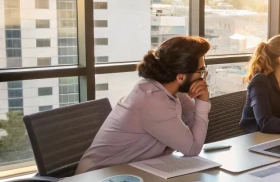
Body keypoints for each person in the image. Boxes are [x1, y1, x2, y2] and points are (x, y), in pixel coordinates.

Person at [76, 36, 211, 174]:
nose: (202, 77)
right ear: (180, 77)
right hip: (99, 177)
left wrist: (200, 103)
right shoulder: (152, 99)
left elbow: (194, 122)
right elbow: (193, 149)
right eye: (200, 71)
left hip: (132, 171)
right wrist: (202, 101)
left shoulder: (168, 88)